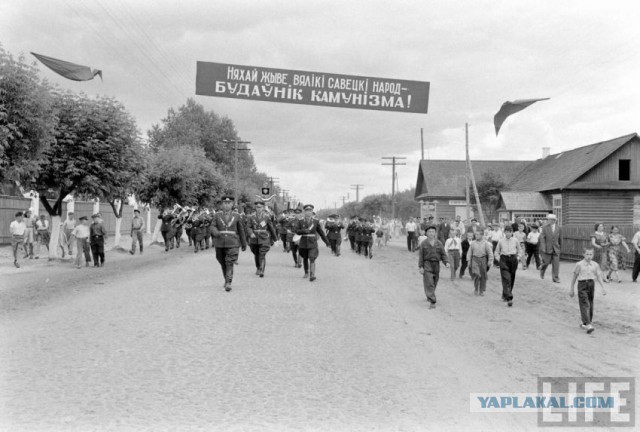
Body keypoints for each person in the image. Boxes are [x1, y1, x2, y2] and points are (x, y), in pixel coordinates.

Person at [210, 196, 247, 291]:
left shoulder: (237, 215)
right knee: (222, 262)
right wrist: (215, 232)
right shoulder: (217, 215)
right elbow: (212, 226)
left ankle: (228, 282)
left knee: (229, 262)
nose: (226, 205)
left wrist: (244, 244)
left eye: (229, 203)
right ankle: (226, 279)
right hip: (220, 242)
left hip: (233, 243)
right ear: (222, 204)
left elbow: (241, 230)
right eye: (225, 203)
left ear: (232, 204)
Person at [570, 247, 606, 334]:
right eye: (587, 254)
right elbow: (574, 277)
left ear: (593, 255)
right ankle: (588, 324)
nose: (589, 256)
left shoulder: (595, 265)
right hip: (582, 284)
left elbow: (598, 276)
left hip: (591, 284)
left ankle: (585, 322)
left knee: (590, 304)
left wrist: (603, 287)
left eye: (591, 254)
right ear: (583, 254)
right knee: (584, 304)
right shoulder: (579, 264)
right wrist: (571, 289)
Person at [294, 204, 330, 281]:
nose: (309, 212)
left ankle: (312, 275)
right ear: (304, 212)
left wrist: (327, 242)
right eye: (307, 211)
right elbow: (296, 231)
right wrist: (303, 231)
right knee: (305, 258)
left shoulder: (315, 222)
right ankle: (306, 272)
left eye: (310, 211)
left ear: (312, 211)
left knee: (312, 257)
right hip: (303, 243)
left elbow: (321, 233)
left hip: (312, 242)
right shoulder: (300, 221)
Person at [418, 225, 449, 309]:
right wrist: (421, 267)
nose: (431, 233)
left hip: (436, 265)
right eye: (429, 232)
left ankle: (429, 294)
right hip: (427, 264)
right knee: (429, 283)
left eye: (433, 232)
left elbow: (443, 254)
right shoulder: (423, 243)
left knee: (434, 282)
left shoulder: (439, 243)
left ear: (435, 233)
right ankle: (433, 301)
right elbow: (421, 256)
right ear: (426, 233)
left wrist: (446, 262)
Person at [246, 201, 278, 278]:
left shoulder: (267, 217)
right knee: (256, 254)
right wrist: (251, 233)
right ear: (255, 208)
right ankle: (258, 267)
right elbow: (248, 227)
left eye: (260, 207)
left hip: (264, 238)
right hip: (254, 238)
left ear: (263, 208)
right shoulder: (251, 217)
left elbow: (271, 228)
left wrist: (275, 239)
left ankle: (261, 270)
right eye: (257, 207)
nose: (259, 209)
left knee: (262, 253)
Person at [494, 226, 522, 307]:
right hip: (504, 259)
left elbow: (520, 249)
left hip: (513, 259)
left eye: (510, 232)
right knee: (506, 278)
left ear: (512, 232)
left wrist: (518, 257)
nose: (508, 233)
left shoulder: (515, 240)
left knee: (511, 278)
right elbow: (496, 252)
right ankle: (509, 298)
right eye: (506, 232)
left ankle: (505, 294)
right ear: (504, 232)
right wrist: (499, 259)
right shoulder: (501, 241)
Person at [467, 228, 493, 296]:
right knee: (477, 274)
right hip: (475, 259)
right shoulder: (473, 243)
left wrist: (490, 261)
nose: (476, 236)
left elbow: (490, 253)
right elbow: (469, 252)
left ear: (481, 235)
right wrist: (469, 261)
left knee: (483, 276)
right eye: (475, 234)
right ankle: (476, 288)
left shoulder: (485, 243)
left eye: (477, 235)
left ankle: (481, 290)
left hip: (483, 260)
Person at [539, 214, 562, 283]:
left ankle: (555, 278)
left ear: (554, 220)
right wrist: (543, 247)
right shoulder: (545, 227)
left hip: (556, 248)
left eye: (551, 219)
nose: (550, 221)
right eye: (549, 219)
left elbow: (560, 238)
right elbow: (542, 238)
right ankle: (542, 271)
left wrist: (560, 247)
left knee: (556, 264)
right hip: (547, 248)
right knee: (546, 262)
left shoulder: (559, 228)